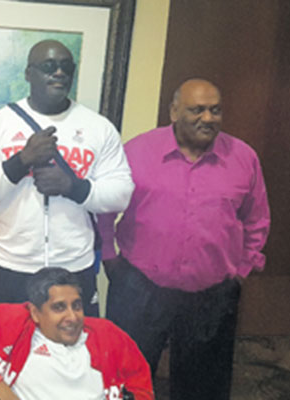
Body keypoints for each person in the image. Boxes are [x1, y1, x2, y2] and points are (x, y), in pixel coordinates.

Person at [99, 78, 271, 400]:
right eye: (197, 110)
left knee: (204, 386)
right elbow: (105, 209)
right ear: (174, 112)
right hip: (139, 287)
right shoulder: (136, 152)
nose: (207, 118)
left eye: (215, 110)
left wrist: (242, 270)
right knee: (124, 380)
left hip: (212, 295)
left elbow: (257, 219)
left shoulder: (243, 158)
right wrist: (109, 255)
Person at [0, 39, 133, 315]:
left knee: (74, 353)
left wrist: (74, 187)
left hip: (74, 266)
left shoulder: (98, 128)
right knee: (11, 352)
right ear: (29, 74)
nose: (59, 73)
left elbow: (121, 193)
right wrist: (21, 161)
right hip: (13, 267)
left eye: (66, 67)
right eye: (49, 66)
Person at [0, 267, 153, 400]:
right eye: (59, 307)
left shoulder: (108, 336)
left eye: (77, 306)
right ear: (35, 312)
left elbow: (141, 388)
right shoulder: (6, 323)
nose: (72, 317)